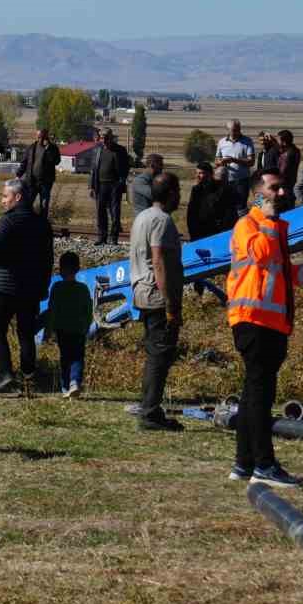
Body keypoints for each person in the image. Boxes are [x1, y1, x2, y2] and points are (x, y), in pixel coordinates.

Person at [226, 170, 303, 486]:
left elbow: (283, 273)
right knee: (260, 396)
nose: (281, 193)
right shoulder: (248, 226)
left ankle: (244, 463)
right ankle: (264, 466)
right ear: (258, 194)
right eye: (274, 188)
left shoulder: (274, 229)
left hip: (270, 322)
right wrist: (267, 220)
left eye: (282, 188)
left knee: (253, 394)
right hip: (253, 321)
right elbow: (261, 255)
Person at [0, 178, 54, 393]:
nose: (2, 201)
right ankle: (28, 376)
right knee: (26, 334)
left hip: (4, 286)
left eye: (5, 196)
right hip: (30, 288)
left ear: (18, 197)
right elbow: (48, 259)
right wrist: (43, 285)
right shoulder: (42, 223)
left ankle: (5, 373)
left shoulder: (8, 221)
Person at [129, 171, 185, 431]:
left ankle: (149, 406)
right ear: (171, 193)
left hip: (142, 291)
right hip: (157, 295)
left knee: (155, 354)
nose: (180, 196)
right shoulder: (162, 221)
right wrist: (171, 304)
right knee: (160, 356)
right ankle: (150, 413)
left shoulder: (143, 216)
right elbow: (160, 261)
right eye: (178, 191)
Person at [42, 251, 93, 397]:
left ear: (60, 269)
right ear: (78, 269)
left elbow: (51, 310)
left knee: (65, 357)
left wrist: (48, 331)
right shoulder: (83, 288)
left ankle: (65, 387)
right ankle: (75, 381)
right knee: (77, 356)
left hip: (62, 329)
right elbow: (88, 310)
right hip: (79, 329)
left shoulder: (56, 288)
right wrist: (87, 326)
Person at [88, 128, 131, 245]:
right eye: (102, 138)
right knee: (100, 212)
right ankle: (102, 237)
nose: (104, 140)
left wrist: (121, 183)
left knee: (115, 213)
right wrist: (91, 186)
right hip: (100, 186)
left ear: (111, 138)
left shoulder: (120, 150)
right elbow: (93, 169)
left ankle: (114, 238)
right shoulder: (97, 150)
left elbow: (125, 168)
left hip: (114, 186)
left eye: (107, 138)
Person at [185, 162, 235, 241]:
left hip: (217, 232)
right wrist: (192, 232)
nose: (197, 176)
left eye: (201, 173)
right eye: (196, 173)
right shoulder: (196, 190)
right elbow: (191, 212)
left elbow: (229, 212)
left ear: (210, 174)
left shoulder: (222, 189)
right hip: (199, 231)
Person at [216, 120, 255, 215]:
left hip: (242, 180)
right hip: (225, 181)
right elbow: (216, 159)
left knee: (241, 207)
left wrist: (233, 160)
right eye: (234, 130)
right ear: (228, 130)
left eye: (238, 129)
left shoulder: (247, 141)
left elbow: (251, 162)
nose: (237, 131)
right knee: (226, 207)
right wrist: (220, 162)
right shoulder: (221, 142)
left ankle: (242, 227)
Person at [20, 128, 60, 215]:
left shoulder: (53, 148)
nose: (40, 139)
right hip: (32, 181)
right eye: (38, 137)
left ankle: (42, 224)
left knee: (44, 205)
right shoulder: (31, 148)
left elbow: (56, 161)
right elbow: (24, 162)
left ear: (46, 137)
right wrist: (18, 174)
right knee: (28, 203)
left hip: (45, 182)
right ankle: (27, 222)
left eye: (42, 137)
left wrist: (48, 149)